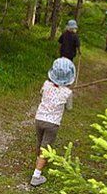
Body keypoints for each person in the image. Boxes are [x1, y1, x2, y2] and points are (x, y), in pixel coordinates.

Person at [30, 57, 75, 187]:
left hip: (39, 119)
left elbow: (42, 94)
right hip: (52, 123)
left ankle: (39, 161)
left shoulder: (46, 84)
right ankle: (36, 176)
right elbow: (69, 108)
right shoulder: (67, 92)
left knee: (40, 143)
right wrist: (68, 96)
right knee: (46, 149)